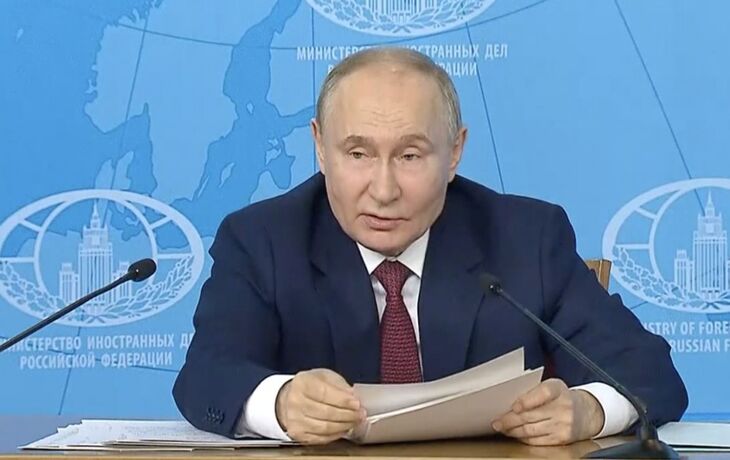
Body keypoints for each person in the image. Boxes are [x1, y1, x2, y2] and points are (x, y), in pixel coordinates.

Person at [173, 47, 687, 446]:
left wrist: (589, 411)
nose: (383, 190)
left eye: (411, 156)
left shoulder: (527, 237)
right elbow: (206, 375)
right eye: (357, 153)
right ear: (319, 147)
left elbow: (648, 370)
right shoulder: (262, 240)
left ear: (455, 151)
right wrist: (281, 403)